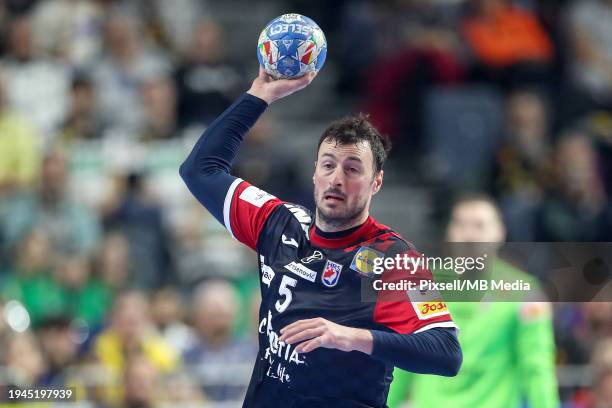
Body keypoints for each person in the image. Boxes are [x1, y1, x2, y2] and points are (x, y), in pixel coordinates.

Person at [179, 67, 462, 408]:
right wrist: (260, 94)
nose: (336, 179)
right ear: (314, 173)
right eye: (328, 165)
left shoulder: (394, 259)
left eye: (353, 168)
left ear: (377, 183)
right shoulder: (278, 223)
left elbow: (446, 353)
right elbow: (199, 169)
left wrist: (352, 337)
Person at [387, 194, 558, 408]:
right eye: (460, 224)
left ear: (500, 233)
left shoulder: (525, 295)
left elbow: (537, 370)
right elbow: (403, 365)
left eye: (480, 226)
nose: (469, 235)